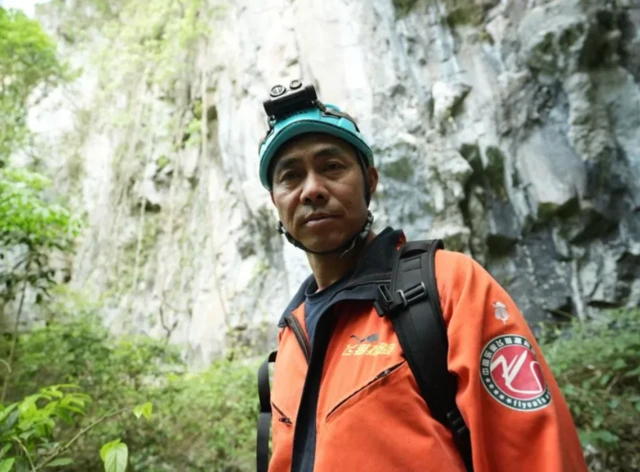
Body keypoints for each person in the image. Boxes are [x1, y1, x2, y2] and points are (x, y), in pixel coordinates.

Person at [256, 81, 588, 472]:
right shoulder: (291, 336)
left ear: (370, 183)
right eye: (290, 177)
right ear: (276, 202)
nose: (311, 189)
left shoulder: (448, 286)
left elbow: (536, 453)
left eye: (332, 167)